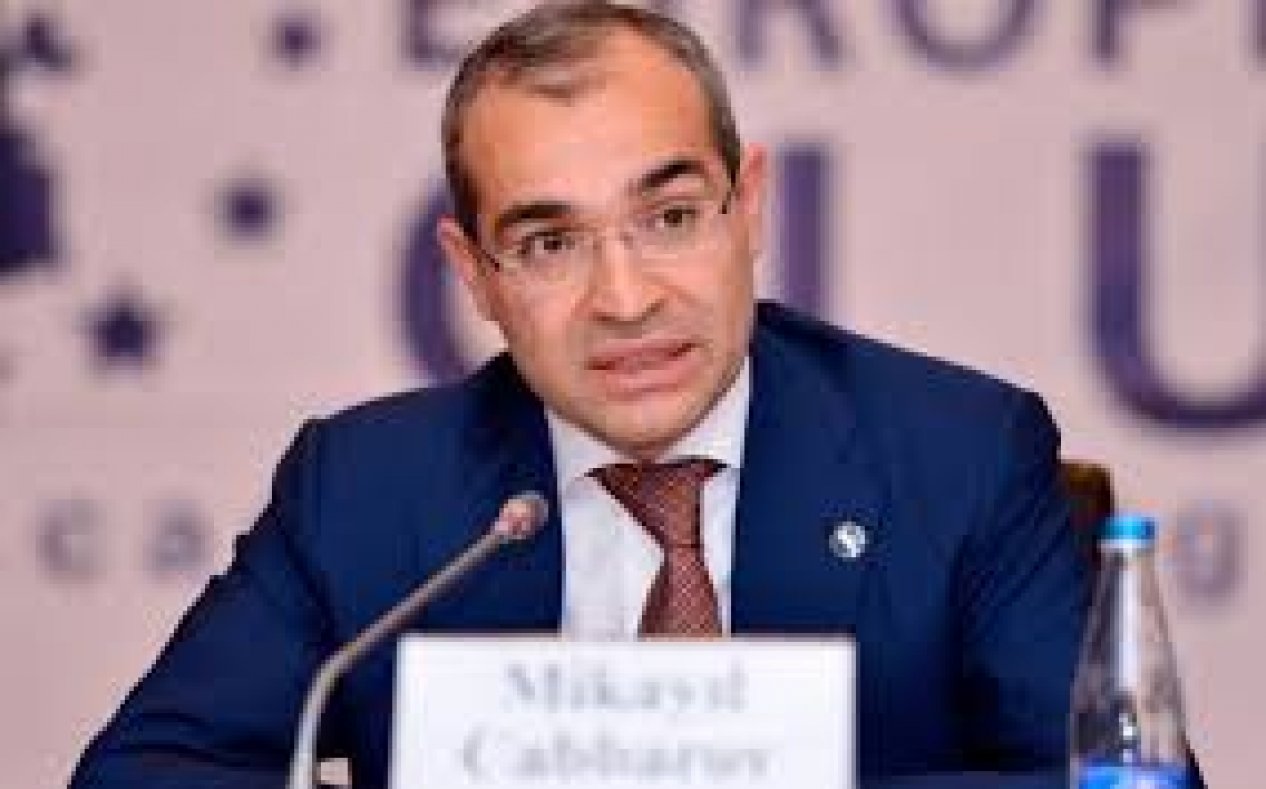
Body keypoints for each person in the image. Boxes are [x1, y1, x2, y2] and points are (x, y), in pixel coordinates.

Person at [70, 2, 1089, 787]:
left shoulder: (962, 455)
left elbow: (1109, 777)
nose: (626, 299)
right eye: (550, 243)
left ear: (750, 209)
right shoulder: (363, 488)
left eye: (672, 217)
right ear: (474, 276)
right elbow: (145, 774)